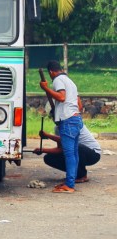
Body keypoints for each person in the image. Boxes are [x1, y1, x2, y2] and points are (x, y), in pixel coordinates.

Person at [39, 60, 84, 193]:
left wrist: (45, 88)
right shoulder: (70, 81)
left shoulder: (58, 80)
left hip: (68, 120)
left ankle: (69, 185)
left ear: (51, 72)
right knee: (74, 154)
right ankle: (69, 182)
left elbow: (61, 97)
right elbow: (79, 105)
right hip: (76, 119)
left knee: (69, 154)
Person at [34, 124, 102, 183]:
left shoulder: (72, 124)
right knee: (48, 158)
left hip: (93, 154)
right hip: (80, 152)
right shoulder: (58, 128)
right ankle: (74, 173)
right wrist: (42, 150)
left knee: (75, 146)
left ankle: (82, 175)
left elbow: (67, 142)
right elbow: (61, 150)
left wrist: (47, 135)